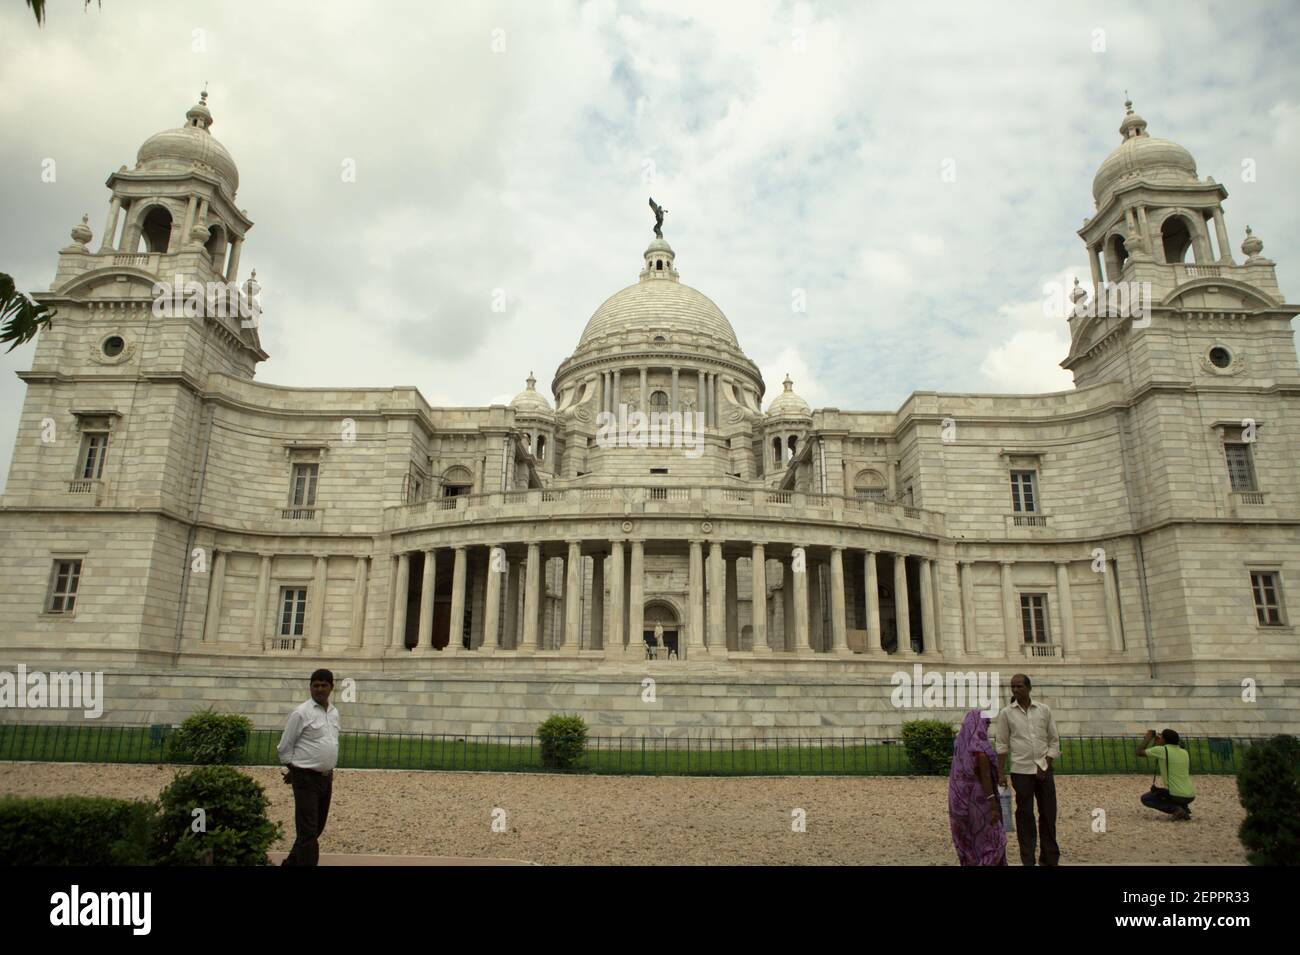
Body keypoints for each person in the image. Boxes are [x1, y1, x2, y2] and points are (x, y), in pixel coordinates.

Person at [995, 673, 1061, 866]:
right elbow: (1002, 744)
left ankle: (1049, 858)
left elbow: (1054, 740)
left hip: (1044, 769)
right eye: (1012, 687)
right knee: (1024, 816)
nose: (1015, 690)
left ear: (1029, 688)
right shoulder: (1006, 713)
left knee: (1048, 814)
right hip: (1021, 770)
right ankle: (1028, 859)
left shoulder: (1044, 710)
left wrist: (1046, 763)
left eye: (1019, 686)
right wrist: (1000, 772)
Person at [277, 669, 340, 866]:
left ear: (331, 687)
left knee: (316, 828)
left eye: (324, 685)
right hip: (306, 778)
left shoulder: (334, 712)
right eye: (315, 685)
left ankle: (290, 863)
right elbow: (284, 747)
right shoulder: (301, 712)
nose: (319, 689)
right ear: (310, 687)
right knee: (308, 832)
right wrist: (294, 770)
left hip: (325, 778)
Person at [949, 708, 1007, 865]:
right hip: (979, 802)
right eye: (986, 722)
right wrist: (993, 803)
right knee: (995, 839)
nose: (988, 726)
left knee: (969, 842)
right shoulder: (980, 749)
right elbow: (985, 777)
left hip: (959, 804)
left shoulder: (960, 746)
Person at [1138, 728, 1196, 820]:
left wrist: (1148, 738)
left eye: (1161, 737)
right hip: (1190, 794)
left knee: (1146, 798)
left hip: (1177, 795)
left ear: (1164, 740)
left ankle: (1176, 809)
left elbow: (1139, 752)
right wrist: (1160, 743)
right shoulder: (1184, 752)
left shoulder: (1162, 751)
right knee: (1161, 791)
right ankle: (1184, 809)